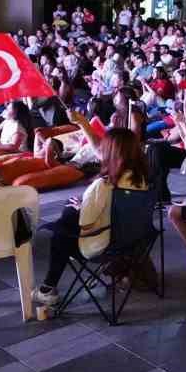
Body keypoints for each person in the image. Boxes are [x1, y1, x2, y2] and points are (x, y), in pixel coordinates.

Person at [31, 128, 148, 309]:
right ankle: (48, 288)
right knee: (66, 220)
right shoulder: (140, 179)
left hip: (104, 246)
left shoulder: (103, 184)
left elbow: (86, 224)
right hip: (131, 242)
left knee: (61, 230)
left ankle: (48, 289)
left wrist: (80, 207)